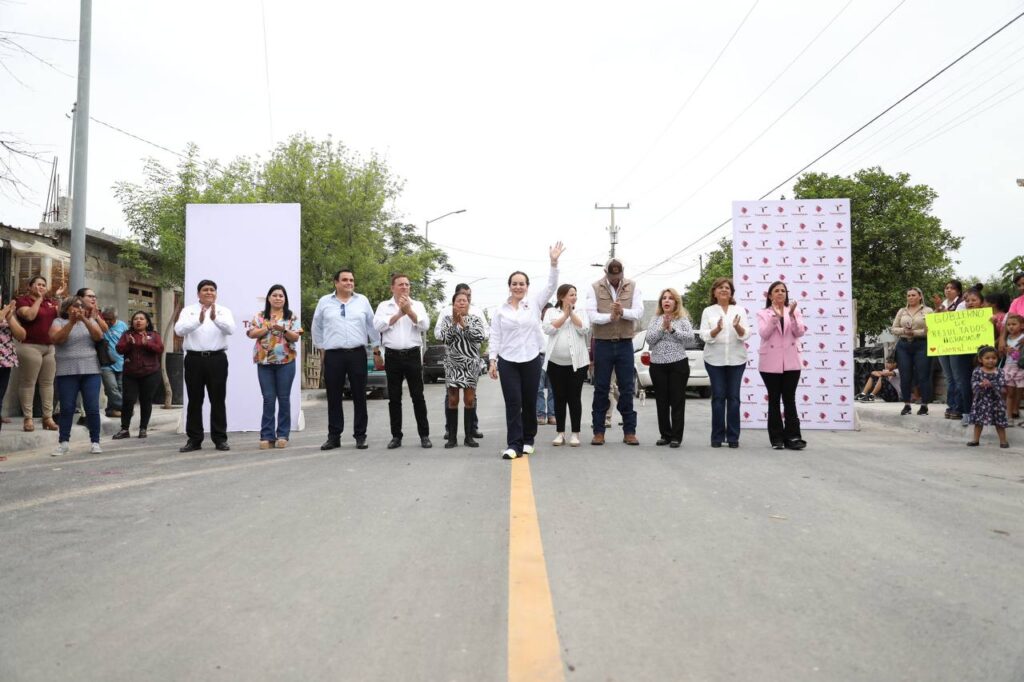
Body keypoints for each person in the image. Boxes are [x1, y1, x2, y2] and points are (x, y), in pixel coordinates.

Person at [489, 242, 564, 459]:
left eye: (522, 284)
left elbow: (551, 286)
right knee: (513, 401)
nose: (518, 287)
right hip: (508, 360)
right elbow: (495, 335)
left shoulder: (535, 302)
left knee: (529, 401)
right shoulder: (500, 310)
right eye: (514, 284)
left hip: (531, 358)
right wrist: (492, 360)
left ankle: (529, 438)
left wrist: (553, 262)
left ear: (527, 286)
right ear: (509, 286)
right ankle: (514, 444)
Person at [313, 269, 380, 451]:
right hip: (333, 354)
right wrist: (321, 349)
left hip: (357, 353)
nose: (349, 283)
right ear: (336, 283)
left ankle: (360, 436)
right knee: (334, 397)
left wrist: (376, 349)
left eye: (351, 280)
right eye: (344, 280)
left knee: (360, 395)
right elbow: (317, 327)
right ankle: (334, 437)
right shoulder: (325, 302)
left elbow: (372, 326)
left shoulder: (362, 301)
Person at [174, 279, 236, 452]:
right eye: (205, 290)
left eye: (212, 290)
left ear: (216, 293)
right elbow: (179, 330)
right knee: (194, 400)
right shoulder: (188, 311)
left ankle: (220, 439)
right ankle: (194, 439)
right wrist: (199, 320)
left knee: (218, 399)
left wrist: (215, 319)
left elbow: (231, 329)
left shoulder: (223, 311)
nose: (209, 292)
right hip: (194, 359)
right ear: (198, 293)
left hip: (217, 359)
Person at [586, 258, 643, 446]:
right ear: (606, 272)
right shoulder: (595, 287)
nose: (616, 279)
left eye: (618, 275)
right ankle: (598, 432)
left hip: (626, 343)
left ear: (623, 272)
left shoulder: (632, 286)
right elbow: (592, 315)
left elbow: (639, 312)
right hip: (603, 343)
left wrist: (622, 312)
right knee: (601, 388)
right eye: (612, 276)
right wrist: (610, 317)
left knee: (627, 388)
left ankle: (629, 431)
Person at [374, 273, 432, 449]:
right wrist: (399, 313)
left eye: (407, 284)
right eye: (400, 284)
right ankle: (396, 436)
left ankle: (424, 435)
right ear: (392, 287)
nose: (404, 287)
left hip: (412, 355)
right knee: (394, 398)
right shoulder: (384, 306)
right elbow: (378, 326)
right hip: (392, 356)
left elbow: (424, 325)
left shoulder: (418, 305)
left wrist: (410, 312)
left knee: (418, 396)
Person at [248, 285, 303, 450]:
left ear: (285, 299)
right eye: (275, 295)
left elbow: (295, 337)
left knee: (284, 398)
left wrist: (283, 329)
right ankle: (266, 435)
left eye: (281, 295)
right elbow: (251, 334)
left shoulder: (291, 316)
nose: (278, 298)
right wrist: (268, 327)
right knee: (268, 399)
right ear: (269, 298)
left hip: (286, 362)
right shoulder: (260, 316)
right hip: (264, 362)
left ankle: (283, 435)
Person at [698, 277, 751, 448]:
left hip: (737, 360)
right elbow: (704, 335)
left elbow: (746, 334)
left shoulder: (740, 310)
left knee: (734, 398)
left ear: (731, 292)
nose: (724, 290)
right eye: (720, 287)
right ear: (714, 292)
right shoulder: (708, 311)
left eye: (727, 288)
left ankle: (733, 438)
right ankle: (717, 437)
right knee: (718, 398)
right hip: (714, 361)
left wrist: (737, 327)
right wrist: (717, 330)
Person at [49, 295, 105, 456]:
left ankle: (95, 441)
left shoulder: (90, 322)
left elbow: (98, 336)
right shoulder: (58, 322)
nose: (78, 308)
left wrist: (85, 320)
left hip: (91, 369)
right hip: (67, 370)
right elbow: (57, 339)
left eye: (80, 306)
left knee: (92, 408)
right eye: (74, 306)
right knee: (67, 408)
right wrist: (72, 322)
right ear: (66, 308)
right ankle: (64, 442)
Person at [756, 281, 807, 450]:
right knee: (774, 400)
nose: (780, 293)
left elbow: (799, 332)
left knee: (789, 400)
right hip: (770, 362)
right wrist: (776, 317)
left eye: (783, 291)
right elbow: (764, 333)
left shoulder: (794, 311)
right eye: (776, 291)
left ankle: (793, 437)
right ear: (770, 295)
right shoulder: (763, 313)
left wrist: (791, 315)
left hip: (792, 362)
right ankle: (776, 438)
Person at [434, 282, 487, 441]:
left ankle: (469, 436)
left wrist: (463, 324)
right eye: (459, 300)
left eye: (465, 300)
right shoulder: (447, 319)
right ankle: (452, 437)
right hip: (453, 364)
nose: (462, 302)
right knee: (452, 399)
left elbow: (479, 337)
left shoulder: (476, 319)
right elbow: (445, 338)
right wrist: (454, 323)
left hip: (470, 364)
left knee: (470, 399)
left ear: (469, 303)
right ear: (454, 303)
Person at [542, 283, 590, 447]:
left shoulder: (581, 311)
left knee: (574, 398)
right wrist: (565, 316)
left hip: (577, 364)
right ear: (561, 296)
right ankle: (560, 433)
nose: (574, 297)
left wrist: (572, 314)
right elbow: (548, 329)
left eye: (575, 294)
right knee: (559, 397)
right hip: (555, 363)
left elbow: (584, 329)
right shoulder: (551, 312)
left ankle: (575, 433)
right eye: (571, 294)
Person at [645, 288, 694, 449]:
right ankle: (665, 435)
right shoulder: (655, 319)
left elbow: (690, 339)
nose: (667, 301)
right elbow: (650, 340)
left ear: (676, 302)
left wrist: (672, 329)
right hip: (658, 364)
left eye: (670, 298)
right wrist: (662, 328)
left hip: (678, 363)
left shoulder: (682, 319)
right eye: (664, 298)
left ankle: (676, 437)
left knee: (677, 401)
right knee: (662, 401)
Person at [14, 276, 63, 432]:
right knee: (28, 383)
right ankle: (28, 418)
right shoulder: (23, 301)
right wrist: (39, 299)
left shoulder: (51, 302)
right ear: (30, 287)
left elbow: (61, 315)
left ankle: (47, 418)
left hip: (49, 347)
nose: (41, 287)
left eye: (43, 285)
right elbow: (29, 316)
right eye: (38, 285)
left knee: (48, 384)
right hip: (30, 346)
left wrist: (59, 298)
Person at [112, 311, 165, 439]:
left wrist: (148, 344)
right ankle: (125, 429)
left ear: (147, 322)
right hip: (131, 373)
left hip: (150, 372)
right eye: (136, 319)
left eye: (142, 319)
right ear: (132, 322)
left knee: (146, 400)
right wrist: (129, 343)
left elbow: (160, 349)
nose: (138, 321)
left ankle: (143, 428)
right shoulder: (127, 335)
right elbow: (119, 349)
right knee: (128, 400)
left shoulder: (154, 335)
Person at [890, 287, 934, 416]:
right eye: (908, 295)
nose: (910, 298)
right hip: (904, 345)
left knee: (923, 375)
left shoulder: (928, 311)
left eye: (913, 295)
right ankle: (907, 404)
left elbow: (931, 329)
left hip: (921, 344)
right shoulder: (902, 311)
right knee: (905, 375)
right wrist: (904, 331)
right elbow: (893, 328)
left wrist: (915, 332)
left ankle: (924, 405)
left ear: (920, 296)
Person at [950, 285, 986, 428]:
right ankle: (967, 413)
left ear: (981, 302)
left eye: (974, 300)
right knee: (964, 383)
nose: (970, 303)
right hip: (963, 353)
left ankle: (982, 412)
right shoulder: (957, 318)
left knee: (982, 383)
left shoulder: (988, 317)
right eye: (967, 301)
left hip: (982, 355)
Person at [931, 280, 964, 419]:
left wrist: (941, 310)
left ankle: (958, 407)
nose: (948, 290)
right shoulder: (943, 304)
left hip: (956, 344)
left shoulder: (961, 304)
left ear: (958, 291)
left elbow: (957, 321)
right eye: (946, 288)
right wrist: (937, 310)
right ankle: (951, 406)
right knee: (949, 378)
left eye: (952, 288)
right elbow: (934, 324)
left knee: (957, 377)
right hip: (942, 344)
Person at [967, 346, 1009, 449]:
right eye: (987, 358)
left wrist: (992, 384)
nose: (991, 360)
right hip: (981, 401)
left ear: (997, 359)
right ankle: (976, 440)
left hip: (996, 401)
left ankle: (1003, 441)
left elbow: (1002, 384)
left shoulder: (1000, 371)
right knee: (978, 421)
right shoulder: (977, 371)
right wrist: (980, 384)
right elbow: (973, 383)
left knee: (999, 422)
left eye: (994, 358)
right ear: (980, 359)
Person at [0, 298, 27, 436]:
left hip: (4, 361)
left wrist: (10, 317)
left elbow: (21, 335)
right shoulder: (3, 311)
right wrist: (5, 311)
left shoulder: (7, 313)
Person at [100, 307, 128, 418]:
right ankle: (126, 408)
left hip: (121, 362)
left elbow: (127, 343)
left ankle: (111, 410)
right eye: (105, 318)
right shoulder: (101, 325)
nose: (107, 321)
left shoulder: (122, 326)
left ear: (115, 318)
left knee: (120, 388)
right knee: (111, 388)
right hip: (106, 363)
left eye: (110, 319)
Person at [536, 303, 557, 426]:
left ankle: (552, 414)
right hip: (539, 357)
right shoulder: (536, 325)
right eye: (545, 311)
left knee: (553, 388)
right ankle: (540, 414)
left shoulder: (555, 324)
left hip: (553, 357)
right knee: (538, 388)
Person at [1001, 313, 1023, 426]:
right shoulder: (1007, 338)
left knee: (1021, 392)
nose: (1011, 327)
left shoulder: (1022, 338)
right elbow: (1003, 355)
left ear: (1022, 325)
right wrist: (1005, 351)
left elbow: (1020, 355)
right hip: (1008, 368)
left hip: (1020, 369)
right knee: (1009, 393)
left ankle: (1016, 411)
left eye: (1014, 324)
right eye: (1008, 324)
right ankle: (1008, 416)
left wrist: (1015, 352)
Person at [999, 272, 1024, 352]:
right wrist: (1002, 340)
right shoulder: (1016, 302)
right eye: (1019, 285)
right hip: (1018, 347)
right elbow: (1009, 321)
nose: (1022, 287)